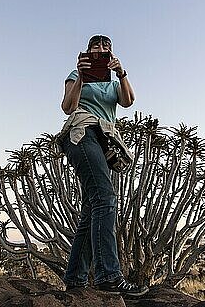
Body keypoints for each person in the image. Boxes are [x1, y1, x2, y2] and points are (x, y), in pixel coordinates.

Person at [57, 34, 147, 297]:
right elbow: (67, 106)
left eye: (106, 47)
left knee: (93, 207)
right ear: (87, 52)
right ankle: (109, 275)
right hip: (82, 132)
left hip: (105, 139)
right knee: (105, 197)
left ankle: (75, 278)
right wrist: (83, 77)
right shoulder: (76, 74)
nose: (101, 49)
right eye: (96, 46)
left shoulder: (113, 81)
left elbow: (128, 101)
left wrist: (121, 73)